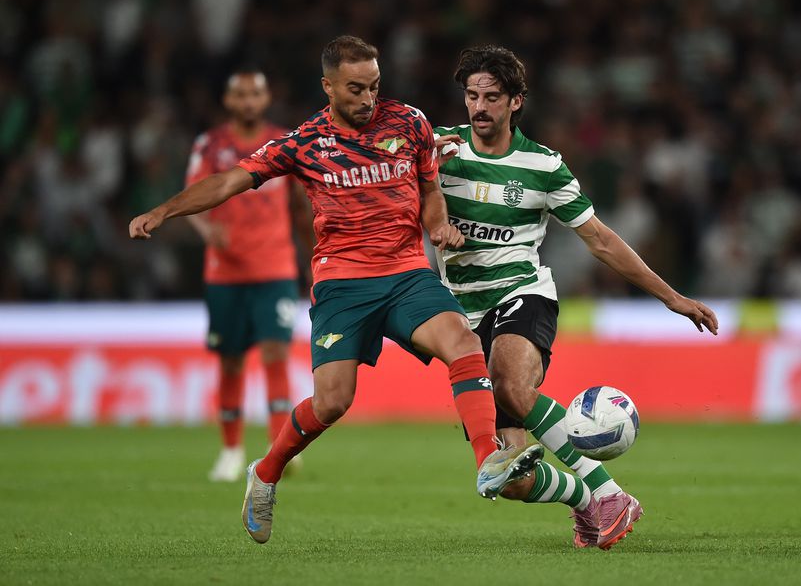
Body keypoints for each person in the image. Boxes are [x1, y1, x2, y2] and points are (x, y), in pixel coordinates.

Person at [129, 36, 544, 545]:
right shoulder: (305, 141)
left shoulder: (410, 123)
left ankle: (487, 459)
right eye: (354, 89)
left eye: (374, 86)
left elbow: (430, 188)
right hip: (343, 284)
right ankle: (265, 472)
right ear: (327, 87)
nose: (368, 98)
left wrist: (436, 226)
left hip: (406, 274)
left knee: (463, 342)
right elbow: (229, 182)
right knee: (332, 402)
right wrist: (165, 211)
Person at [434, 45, 719, 550]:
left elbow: (601, 239)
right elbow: (390, 184)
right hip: (463, 313)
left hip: (523, 294)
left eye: (492, 97)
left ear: (516, 102)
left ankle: (608, 494)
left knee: (512, 386)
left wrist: (671, 297)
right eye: (471, 96)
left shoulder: (544, 166)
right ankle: (587, 504)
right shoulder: (438, 151)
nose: (479, 107)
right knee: (512, 476)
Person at [184, 68, 313, 482]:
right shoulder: (210, 145)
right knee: (231, 361)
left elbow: (300, 207)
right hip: (224, 273)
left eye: (255, 93)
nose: (248, 101)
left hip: (274, 268)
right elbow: (194, 198)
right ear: (229, 100)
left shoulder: (284, 144)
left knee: (275, 356)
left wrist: (312, 258)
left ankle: (282, 449)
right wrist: (207, 230)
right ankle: (230, 449)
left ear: (266, 97)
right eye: (240, 94)